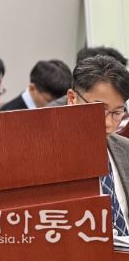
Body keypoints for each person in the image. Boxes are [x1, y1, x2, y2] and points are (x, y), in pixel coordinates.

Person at [67, 55, 129, 237]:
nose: (109, 124)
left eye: (117, 112)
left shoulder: (125, 149)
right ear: (72, 98)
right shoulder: (49, 155)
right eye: (100, 110)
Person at [47, 46, 128, 107]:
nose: (109, 122)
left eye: (117, 112)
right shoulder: (52, 115)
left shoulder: (121, 112)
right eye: (100, 109)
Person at [0, 59, 72, 111]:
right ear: (32, 88)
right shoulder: (7, 114)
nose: (57, 106)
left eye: (62, 101)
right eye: (49, 101)